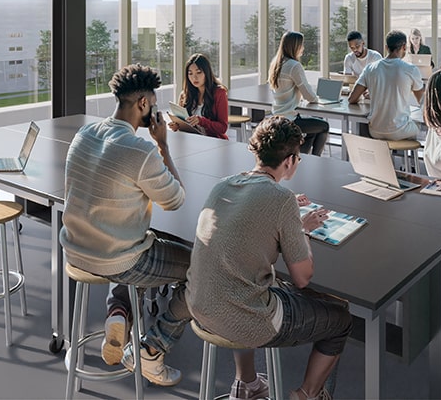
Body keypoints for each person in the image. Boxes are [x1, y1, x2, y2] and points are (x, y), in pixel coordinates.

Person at [187, 116, 351, 400]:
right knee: (340, 320)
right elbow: (302, 278)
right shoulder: (282, 199)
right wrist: (303, 232)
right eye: (298, 158)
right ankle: (307, 394)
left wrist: (289, 218)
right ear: (288, 161)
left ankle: (246, 383)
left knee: (244, 281)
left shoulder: (224, 185)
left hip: (199, 305)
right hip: (244, 318)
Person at [60, 64, 192, 386]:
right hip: (119, 258)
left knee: (132, 237)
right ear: (143, 104)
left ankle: (118, 312)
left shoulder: (84, 134)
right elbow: (175, 200)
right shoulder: (141, 149)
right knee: (201, 267)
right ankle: (152, 350)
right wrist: (162, 144)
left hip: (76, 250)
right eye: (154, 102)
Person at [348, 30, 424, 141]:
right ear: (404, 47)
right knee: (418, 123)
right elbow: (421, 100)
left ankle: (388, 155)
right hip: (399, 130)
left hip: (375, 130)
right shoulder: (410, 69)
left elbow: (352, 99)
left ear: (386, 47)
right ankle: (410, 158)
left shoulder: (370, 68)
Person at [269, 31, 329, 156]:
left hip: (277, 117)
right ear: (295, 46)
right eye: (301, 45)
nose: (303, 48)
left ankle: (301, 159)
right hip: (291, 119)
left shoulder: (276, 63)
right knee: (324, 126)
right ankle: (315, 158)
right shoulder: (294, 66)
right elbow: (309, 96)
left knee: (314, 127)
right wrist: (319, 99)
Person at [168, 53, 229, 139]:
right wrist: (177, 126)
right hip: (192, 141)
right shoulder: (184, 95)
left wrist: (201, 121)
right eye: (190, 74)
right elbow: (184, 124)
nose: (194, 78)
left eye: (198, 72)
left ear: (206, 73)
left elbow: (223, 128)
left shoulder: (219, 93)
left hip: (213, 142)